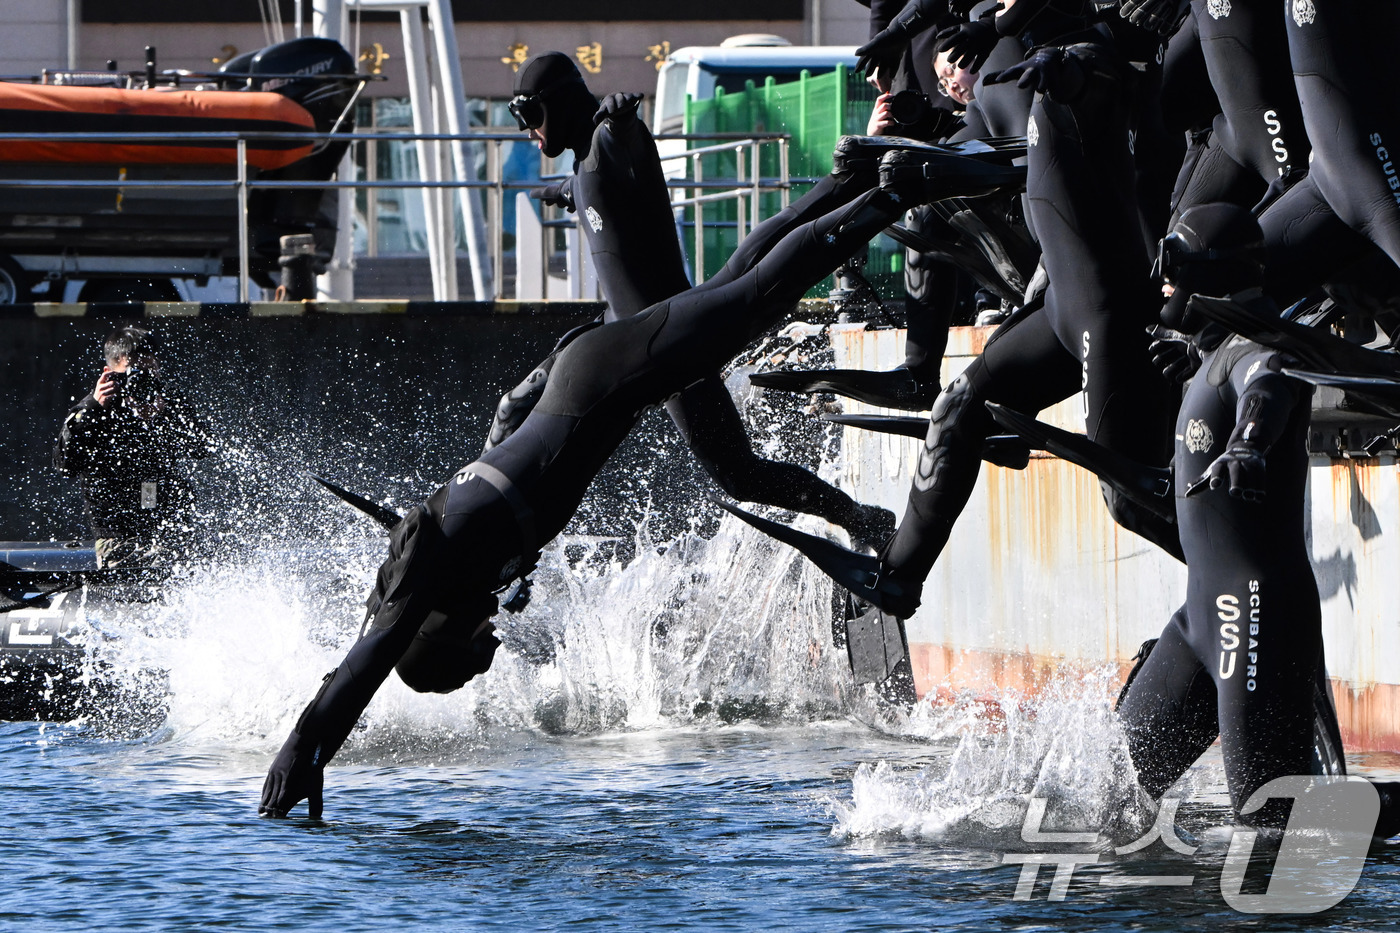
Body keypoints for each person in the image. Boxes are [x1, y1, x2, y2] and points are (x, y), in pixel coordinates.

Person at [489, 52, 894, 551]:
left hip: (667, 344)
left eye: (531, 117)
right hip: (619, 337)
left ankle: (860, 518)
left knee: (738, 474)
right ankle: (479, 518)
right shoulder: (586, 161)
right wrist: (566, 190)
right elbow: (593, 184)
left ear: (563, 105)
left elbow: (624, 147)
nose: (528, 131)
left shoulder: (611, 139)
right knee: (515, 406)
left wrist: (625, 118)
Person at [52, 325, 213, 564]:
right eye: (134, 374)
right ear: (110, 374)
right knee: (141, 564)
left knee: (184, 562)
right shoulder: (93, 411)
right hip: (116, 534)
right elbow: (65, 466)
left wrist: (163, 415)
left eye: (150, 372)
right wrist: (93, 408)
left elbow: (204, 447)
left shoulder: (167, 401)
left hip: (165, 524)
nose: (142, 382)